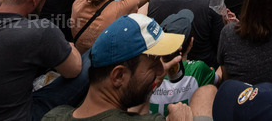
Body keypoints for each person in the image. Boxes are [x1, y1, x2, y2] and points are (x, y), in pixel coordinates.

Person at [44, 13, 217, 121]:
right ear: (118, 76)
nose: (160, 71)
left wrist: (150, 80)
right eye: (153, 64)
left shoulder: (54, 115)